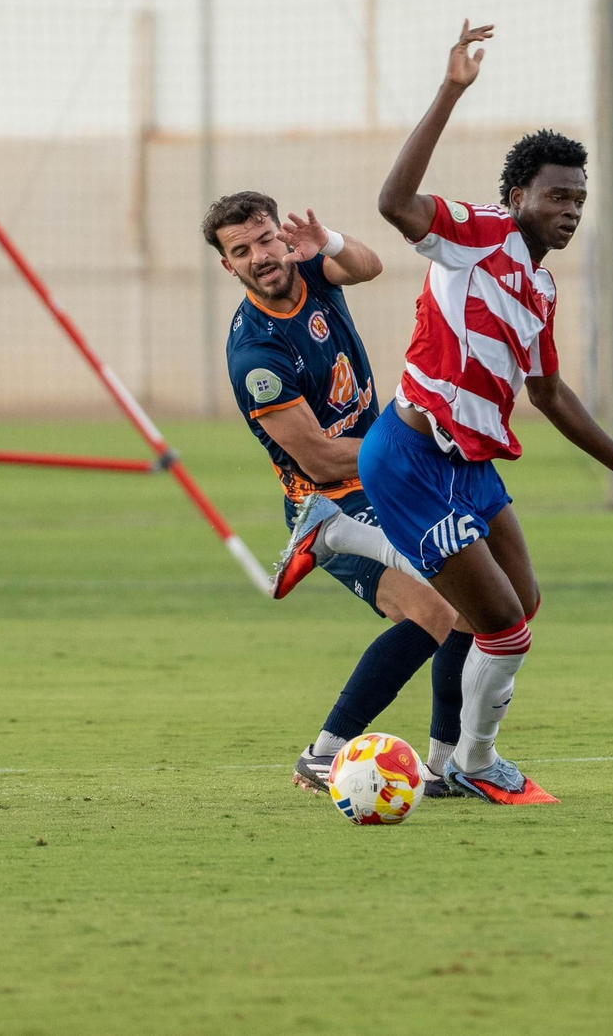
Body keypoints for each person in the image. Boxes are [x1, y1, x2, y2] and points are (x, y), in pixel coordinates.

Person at [273, 22, 613, 805]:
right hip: (409, 456)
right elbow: (394, 202)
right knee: (503, 625)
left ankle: (441, 762)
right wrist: (452, 90)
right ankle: (475, 759)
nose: (570, 210)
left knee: (513, 606)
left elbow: (551, 396)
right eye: (557, 195)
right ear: (517, 197)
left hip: (471, 467)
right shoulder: (477, 236)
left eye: (579, 199)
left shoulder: (542, 288)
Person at [204, 190, 473, 798]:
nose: (261, 256)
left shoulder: (307, 271)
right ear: (229, 266)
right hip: (329, 502)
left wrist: (327, 242)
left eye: (265, 239)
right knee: (439, 608)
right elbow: (320, 457)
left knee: (466, 604)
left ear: (281, 235)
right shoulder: (257, 355)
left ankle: (440, 764)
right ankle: (338, 755)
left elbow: (368, 266)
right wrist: (419, 438)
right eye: (241, 251)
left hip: (389, 481)